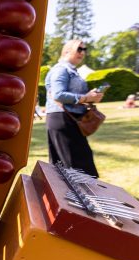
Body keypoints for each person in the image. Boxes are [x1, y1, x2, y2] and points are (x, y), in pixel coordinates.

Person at [44, 40, 104, 177]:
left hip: (68, 119)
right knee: (78, 169)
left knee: (70, 168)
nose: (83, 52)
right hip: (62, 119)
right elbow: (58, 94)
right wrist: (86, 98)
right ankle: (78, 197)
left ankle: (68, 197)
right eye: (79, 49)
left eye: (84, 49)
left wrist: (91, 96)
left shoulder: (70, 70)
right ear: (66, 51)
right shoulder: (61, 69)